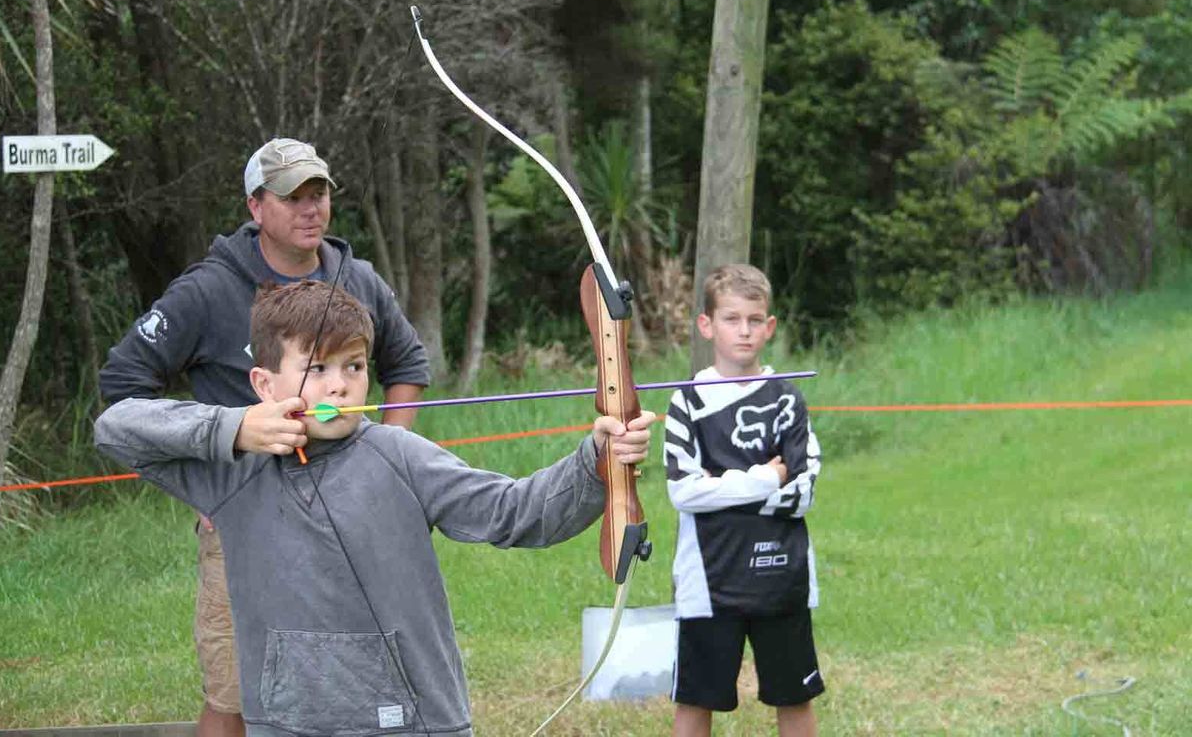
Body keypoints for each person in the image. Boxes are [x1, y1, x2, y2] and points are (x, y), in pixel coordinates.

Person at [95, 281, 656, 737]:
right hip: (287, 723)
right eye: (317, 368)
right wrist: (234, 427)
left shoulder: (399, 455)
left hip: (411, 721)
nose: (340, 386)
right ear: (264, 384)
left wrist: (596, 461)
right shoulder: (233, 471)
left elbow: (516, 512)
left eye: (355, 366)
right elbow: (116, 428)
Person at [98, 138, 430, 737]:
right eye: (292, 197)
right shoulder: (206, 291)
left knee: (355, 684)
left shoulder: (357, 279)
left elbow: (407, 364)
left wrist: (388, 459)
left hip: (350, 518)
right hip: (243, 521)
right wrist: (208, 480)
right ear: (255, 207)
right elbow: (123, 389)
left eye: (318, 193)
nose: (311, 209)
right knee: (233, 694)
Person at [664, 264, 824, 737]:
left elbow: (802, 492)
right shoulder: (687, 402)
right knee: (695, 700)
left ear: (769, 326)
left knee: (795, 697)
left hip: (782, 577)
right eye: (731, 319)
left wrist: (720, 485)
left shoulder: (787, 399)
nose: (745, 331)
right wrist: (763, 478)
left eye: (755, 320)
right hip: (708, 582)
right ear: (707, 325)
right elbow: (684, 491)